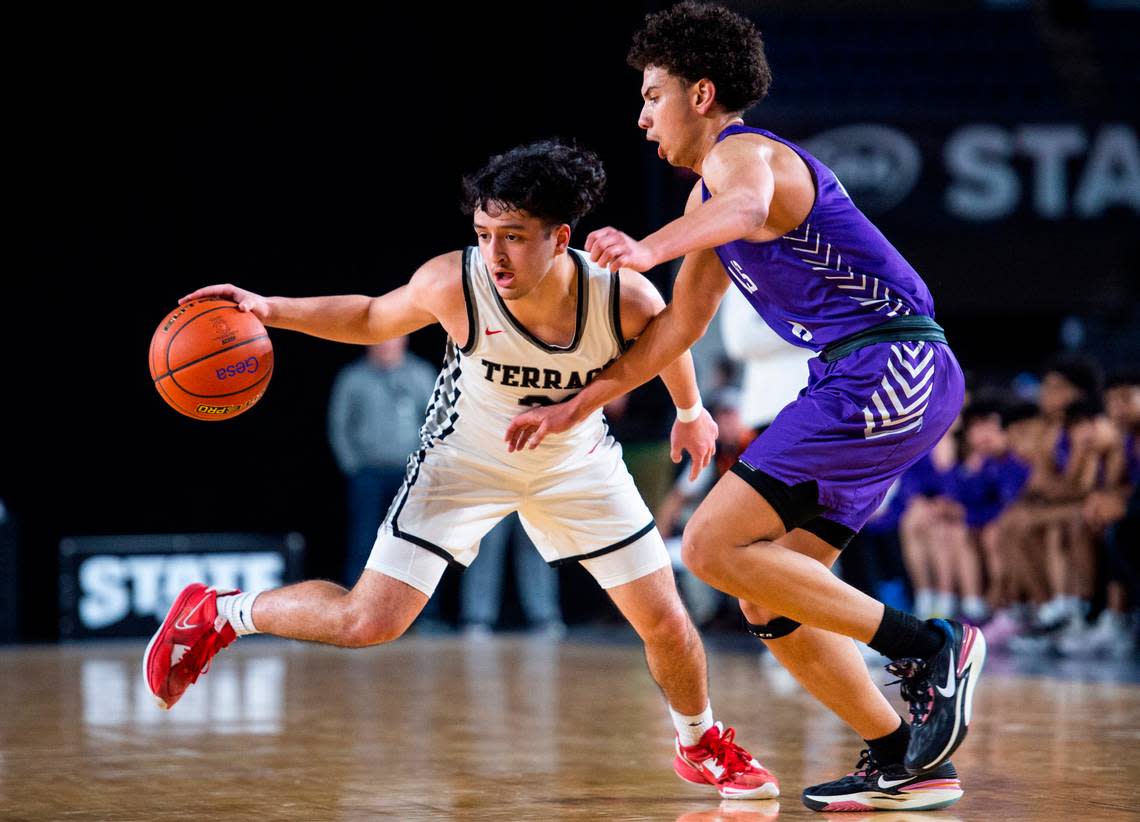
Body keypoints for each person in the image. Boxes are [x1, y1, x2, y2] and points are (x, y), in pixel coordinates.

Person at [144, 139, 778, 800]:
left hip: (576, 463)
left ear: (561, 238)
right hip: (465, 459)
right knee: (369, 622)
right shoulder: (457, 281)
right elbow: (368, 315)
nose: (495, 254)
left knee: (667, 622)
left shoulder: (621, 295)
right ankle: (223, 614)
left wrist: (690, 409)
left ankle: (700, 741)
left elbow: (667, 340)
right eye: (483, 233)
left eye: (513, 236)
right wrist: (273, 309)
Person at [506, 3, 982, 812]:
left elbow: (753, 208)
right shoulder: (705, 205)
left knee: (710, 543)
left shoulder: (747, 155)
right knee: (767, 593)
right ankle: (906, 758)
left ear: (701, 93)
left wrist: (648, 247)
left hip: (890, 363)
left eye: (653, 95)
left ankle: (930, 647)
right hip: (858, 378)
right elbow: (677, 330)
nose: (641, 115)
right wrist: (576, 404)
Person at [328, 337, 437, 586]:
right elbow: (339, 425)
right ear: (368, 342)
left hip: (411, 474)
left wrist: (425, 464)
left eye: (393, 340)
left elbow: (435, 421)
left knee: (416, 542)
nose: (387, 346)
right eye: (381, 340)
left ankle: (425, 614)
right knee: (364, 539)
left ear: (405, 341)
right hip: (368, 473)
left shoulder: (420, 373)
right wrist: (352, 466)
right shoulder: (353, 378)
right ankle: (354, 603)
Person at [458, 512, 565, 638]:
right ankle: (476, 618)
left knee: (536, 542)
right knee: (486, 542)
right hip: (496, 494)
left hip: (532, 493)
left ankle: (544, 617)